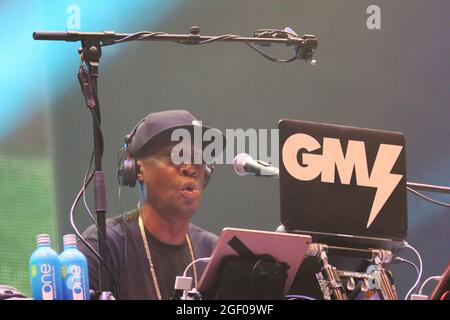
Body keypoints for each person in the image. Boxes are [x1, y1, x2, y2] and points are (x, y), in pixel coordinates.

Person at [78, 109, 224, 300]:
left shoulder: (213, 251)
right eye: (176, 156)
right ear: (137, 169)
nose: (190, 168)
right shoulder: (104, 245)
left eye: (198, 158)